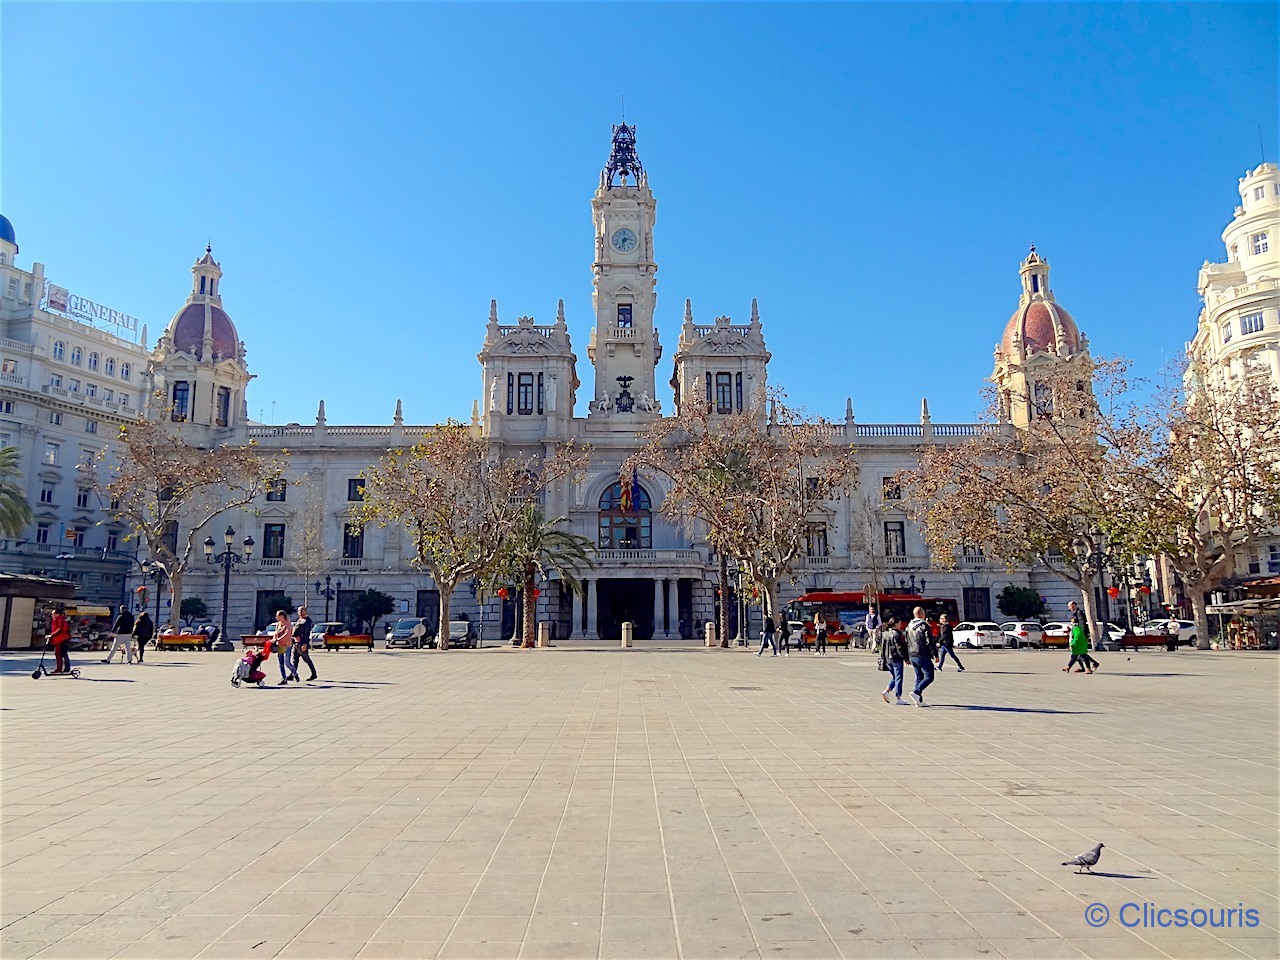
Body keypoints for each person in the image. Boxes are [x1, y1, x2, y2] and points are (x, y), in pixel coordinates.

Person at [906, 606, 937, 706]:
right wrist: (935, 654)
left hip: (912, 654)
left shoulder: (909, 626)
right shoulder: (924, 626)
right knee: (929, 676)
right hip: (922, 654)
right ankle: (916, 692)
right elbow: (929, 641)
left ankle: (918, 700)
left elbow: (907, 641)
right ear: (922, 614)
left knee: (919, 676)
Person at [1063, 600, 1099, 674]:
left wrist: (1084, 634)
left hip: (1080, 635)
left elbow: (1082, 624)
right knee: (1080, 653)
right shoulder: (1074, 613)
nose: (1069, 608)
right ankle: (1085, 667)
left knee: (1080, 653)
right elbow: (1074, 625)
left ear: (1074, 605)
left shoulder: (1079, 613)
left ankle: (1086, 667)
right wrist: (1071, 630)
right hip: (1076, 633)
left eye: (1070, 606)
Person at [879, 619, 908, 705]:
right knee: (899, 677)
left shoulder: (885, 633)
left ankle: (887, 690)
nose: (901, 625)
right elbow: (899, 648)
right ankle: (898, 697)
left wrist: (883, 658)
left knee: (895, 676)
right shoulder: (896, 634)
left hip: (888, 659)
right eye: (899, 623)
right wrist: (905, 658)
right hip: (896, 658)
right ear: (895, 624)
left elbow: (882, 648)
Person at [292, 606, 318, 682]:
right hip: (296, 643)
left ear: (305, 612)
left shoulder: (307, 621)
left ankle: (314, 673)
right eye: (299, 611)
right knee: (295, 660)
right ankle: (293, 674)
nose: (300, 612)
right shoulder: (299, 620)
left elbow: (306, 633)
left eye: (302, 610)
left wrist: (305, 644)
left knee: (306, 659)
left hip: (302, 643)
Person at [272, 610, 297, 684]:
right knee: (281, 663)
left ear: (282, 616)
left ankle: (295, 673)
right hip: (280, 645)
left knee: (287, 662)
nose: (276, 617)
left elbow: (287, 634)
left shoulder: (288, 624)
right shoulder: (278, 624)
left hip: (287, 645)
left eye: (277, 616)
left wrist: (277, 639)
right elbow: (275, 633)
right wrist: (274, 639)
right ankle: (284, 679)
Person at [49, 606, 72, 674]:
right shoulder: (61, 619)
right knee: (63, 654)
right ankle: (66, 668)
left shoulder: (58, 619)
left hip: (60, 639)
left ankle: (59, 668)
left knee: (59, 654)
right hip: (60, 639)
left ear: (57, 614)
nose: (52, 615)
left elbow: (59, 629)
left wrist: (52, 634)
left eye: (53, 614)